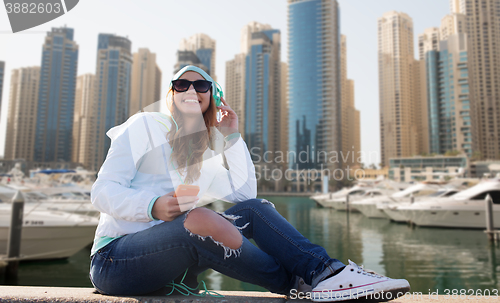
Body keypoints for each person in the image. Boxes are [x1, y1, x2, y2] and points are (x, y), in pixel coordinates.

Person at [89, 65, 410, 302]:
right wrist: (152, 206)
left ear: (212, 97)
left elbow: (245, 193)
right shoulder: (144, 126)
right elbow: (102, 191)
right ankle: (299, 284)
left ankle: (324, 273)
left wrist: (232, 137)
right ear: (171, 94)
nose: (190, 90)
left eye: (200, 85)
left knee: (254, 210)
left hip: (171, 267)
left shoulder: (202, 154)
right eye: (181, 84)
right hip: (115, 263)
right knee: (198, 221)